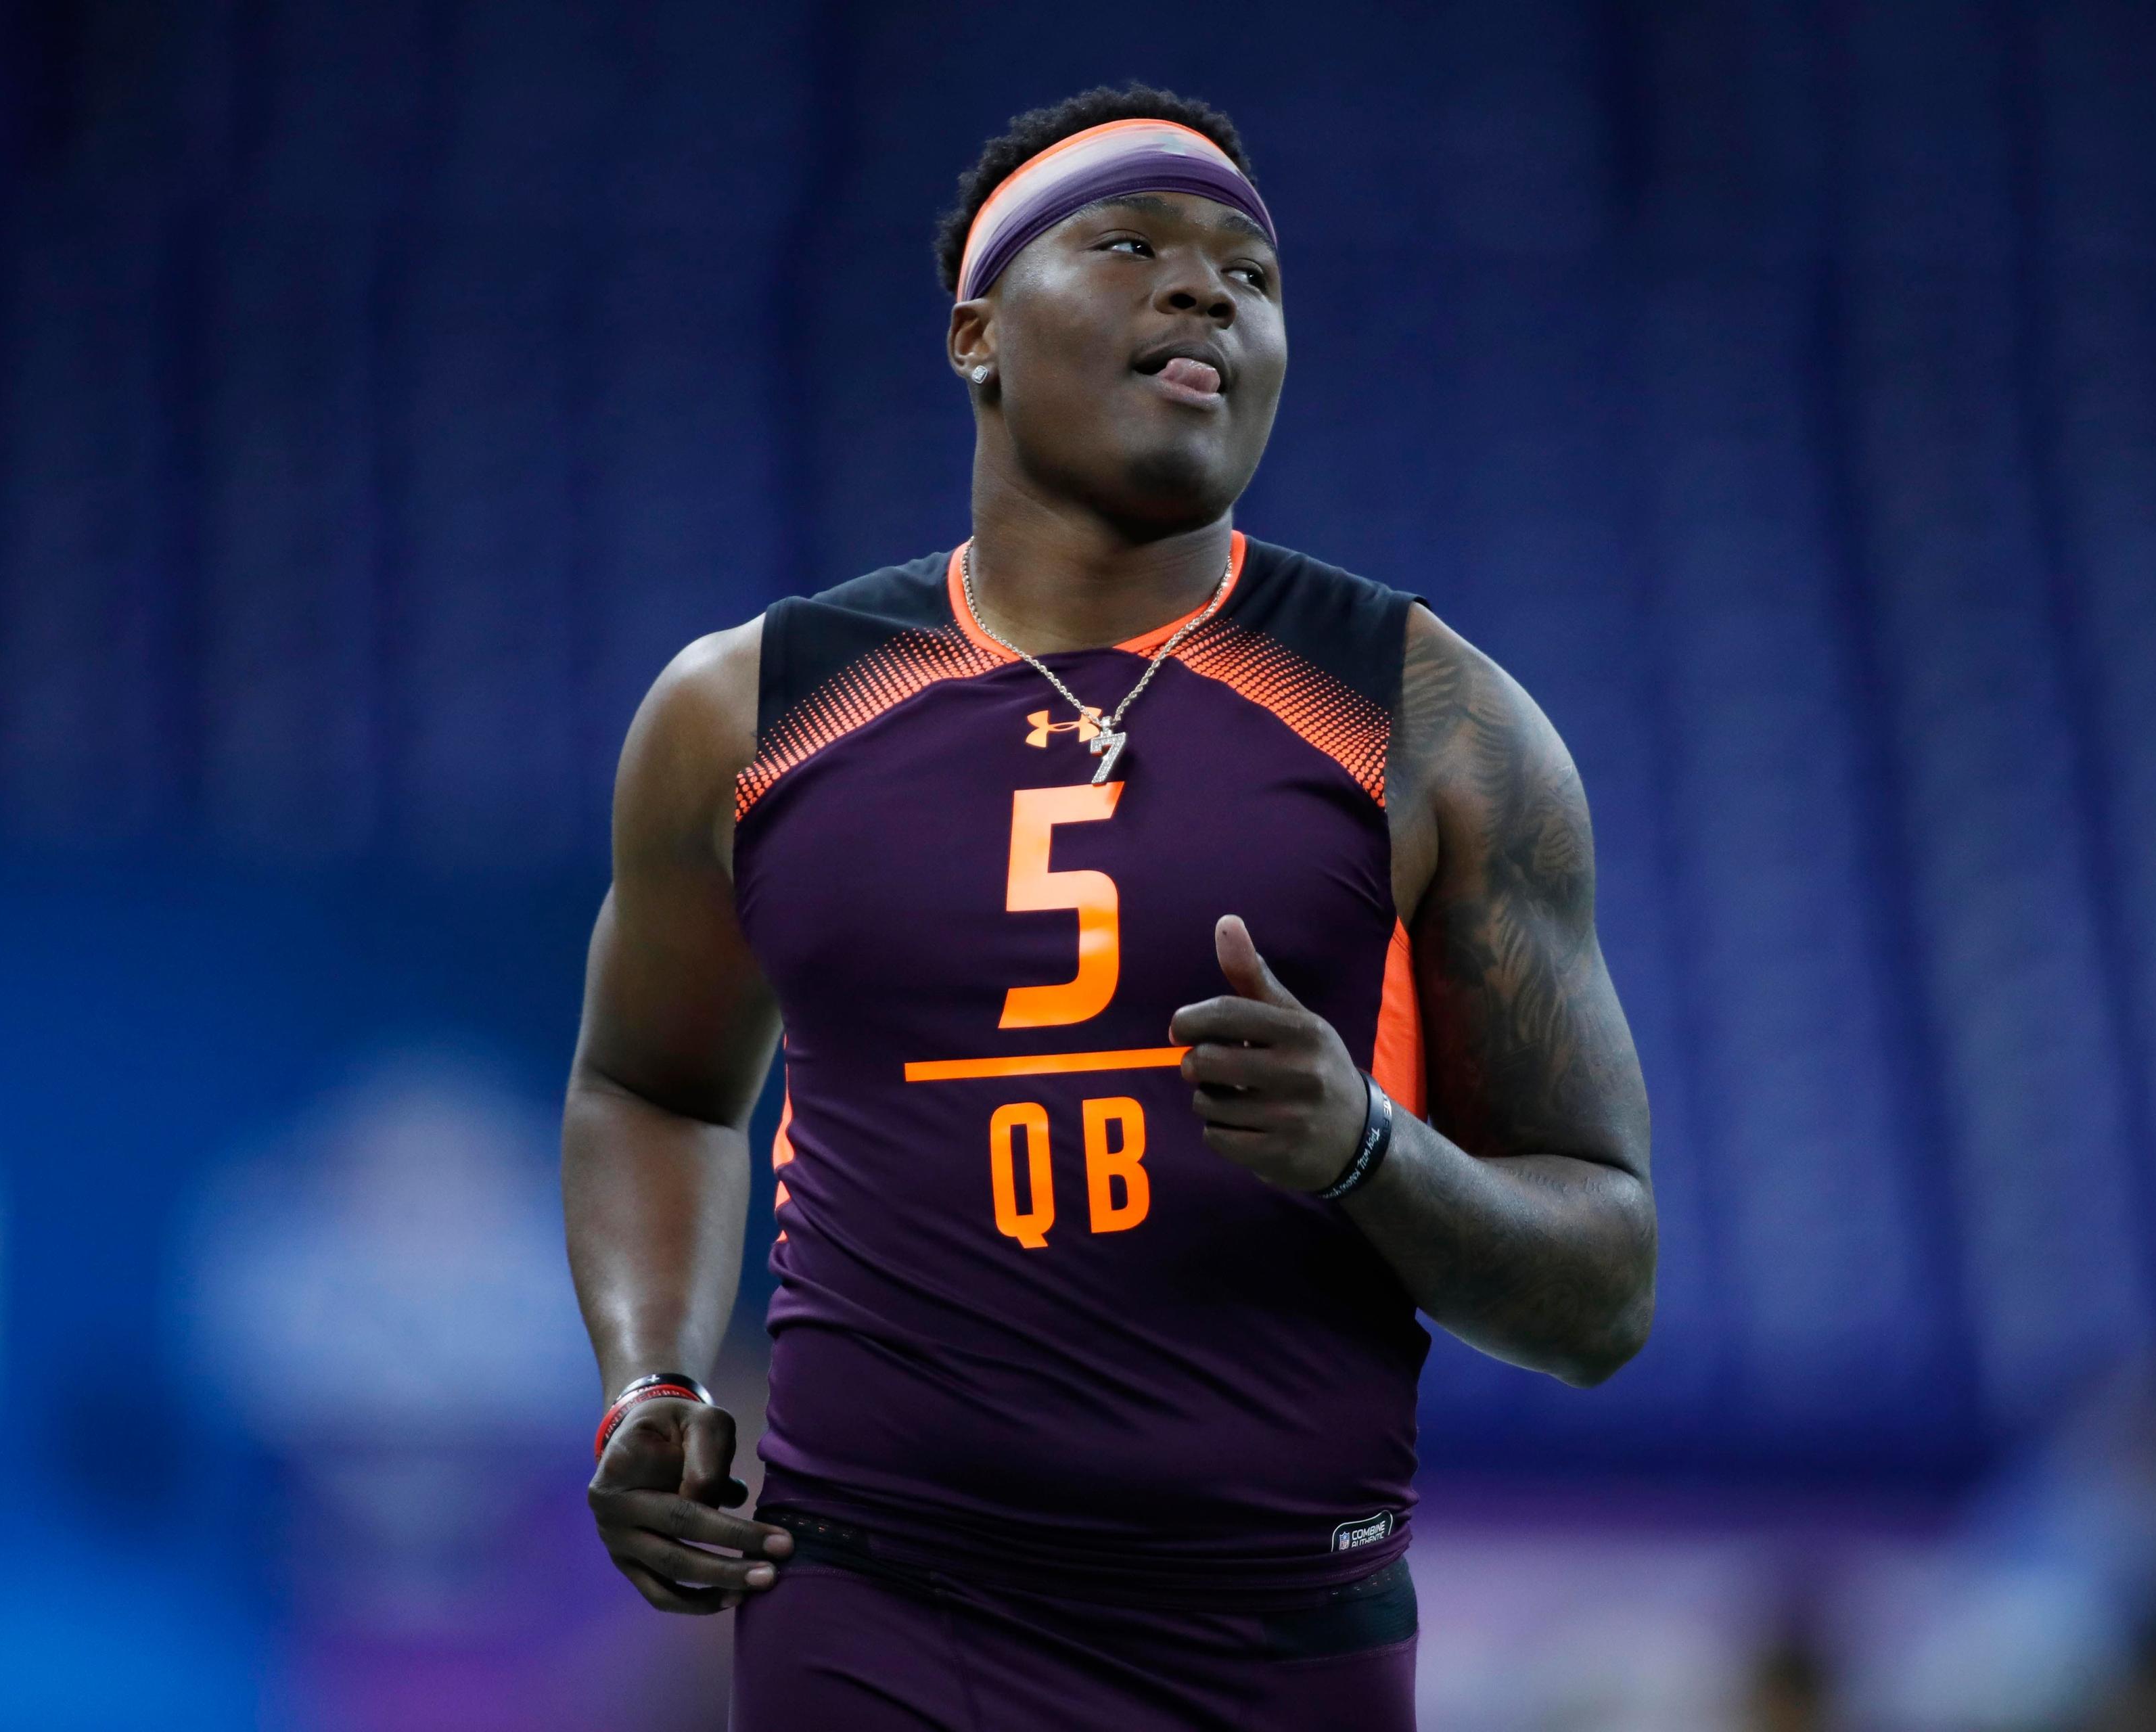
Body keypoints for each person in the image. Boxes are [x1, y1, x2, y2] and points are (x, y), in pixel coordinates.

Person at [562, 83, 1655, 1730]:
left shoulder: (1434, 715)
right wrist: (649, 1376)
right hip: (873, 1597)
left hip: (1269, 1628)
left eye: (1252, 272)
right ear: (976, 333)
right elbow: (649, 1086)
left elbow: (1605, 1292)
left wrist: (1365, 1144)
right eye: (1133, 243)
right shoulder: (750, 706)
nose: (1207, 287)